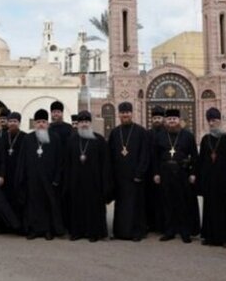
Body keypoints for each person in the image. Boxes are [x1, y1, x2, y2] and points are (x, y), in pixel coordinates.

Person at [15, 109, 65, 240]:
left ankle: (48, 230)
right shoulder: (28, 139)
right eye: (38, 122)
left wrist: (57, 178)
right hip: (32, 180)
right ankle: (33, 230)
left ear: (47, 123)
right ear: (34, 124)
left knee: (48, 205)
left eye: (43, 122)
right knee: (32, 205)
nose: (41, 124)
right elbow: (22, 160)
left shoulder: (54, 138)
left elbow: (60, 160)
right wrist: (22, 177)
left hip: (49, 180)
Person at [153, 109, 198, 243]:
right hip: (165, 173)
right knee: (167, 203)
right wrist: (156, 173)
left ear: (179, 120)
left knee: (183, 203)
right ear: (166, 121)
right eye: (170, 119)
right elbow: (154, 156)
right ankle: (169, 231)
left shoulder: (188, 136)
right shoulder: (160, 136)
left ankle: (185, 232)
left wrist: (193, 173)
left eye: (175, 119)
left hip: (182, 173)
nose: (172, 121)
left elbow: (195, 156)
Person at [66, 111, 112, 242]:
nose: (84, 124)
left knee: (94, 208)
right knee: (76, 207)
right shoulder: (71, 140)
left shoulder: (99, 140)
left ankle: (94, 233)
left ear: (90, 123)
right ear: (78, 124)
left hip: (94, 182)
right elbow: (67, 163)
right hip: (76, 181)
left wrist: (105, 183)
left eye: (86, 122)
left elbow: (105, 163)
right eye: (81, 122)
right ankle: (77, 232)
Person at [196, 107, 226, 247]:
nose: (212, 123)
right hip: (210, 181)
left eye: (214, 120)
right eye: (209, 121)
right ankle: (210, 236)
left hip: (224, 181)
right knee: (210, 209)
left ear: (220, 121)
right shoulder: (205, 139)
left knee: (225, 209)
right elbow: (201, 161)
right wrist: (201, 182)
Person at [108, 102, 150, 241]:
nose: (125, 115)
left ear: (132, 113)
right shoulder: (114, 133)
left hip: (135, 176)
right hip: (119, 177)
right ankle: (120, 232)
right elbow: (110, 155)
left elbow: (145, 154)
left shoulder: (141, 132)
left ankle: (136, 233)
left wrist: (140, 173)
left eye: (127, 112)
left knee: (136, 205)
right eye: (123, 112)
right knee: (120, 205)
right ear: (119, 114)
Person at [0, 111, 26, 233]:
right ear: (8, 123)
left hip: (19, 175)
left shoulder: (25, 137)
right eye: (11, 121)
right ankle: (5, 226)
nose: (12, 123)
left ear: (19, 123)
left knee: (18, 201)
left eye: (15, 121)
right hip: (5, 175)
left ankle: (19, 227)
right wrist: (0, 174)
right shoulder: (2, 137)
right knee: (5, 201)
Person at [48, 100, 73, 226]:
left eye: (58, 112)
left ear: (62, 113)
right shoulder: (47, 128)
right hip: (51, 169)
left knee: (65, 197)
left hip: (65, 167)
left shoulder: (68, 128)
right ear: (51, 114)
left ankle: (66, 224)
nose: (56, 114)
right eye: (54, 112)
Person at [146, 105, 166, 234]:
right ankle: (151, 224)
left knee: (163, 200)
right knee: (150, 199)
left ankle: (163, 225)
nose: (157, 120)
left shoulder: (167, 133)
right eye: (155, 118)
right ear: (152, 119)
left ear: (163, 119)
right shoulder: (147, 134)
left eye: (159, 117)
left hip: (164, 172)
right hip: (149, 171)